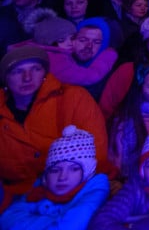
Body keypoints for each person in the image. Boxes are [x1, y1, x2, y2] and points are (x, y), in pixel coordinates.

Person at [0, 46, 111, 212]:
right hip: (15, 200)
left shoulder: (74, 98)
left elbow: (97, 155)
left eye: (35, 69)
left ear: (44, 74)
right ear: (5, 79)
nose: (27, 77)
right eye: (17, 71)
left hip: (74, 196)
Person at [0, 125, 109, 230]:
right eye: (55, 170)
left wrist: (35, 218)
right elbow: (6, 220)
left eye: (74, 169)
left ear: (86, 173)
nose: (62, 177)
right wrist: (51, 219)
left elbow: (69, 227)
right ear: (46, 175)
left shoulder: (95, 190)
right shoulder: (38, 190)